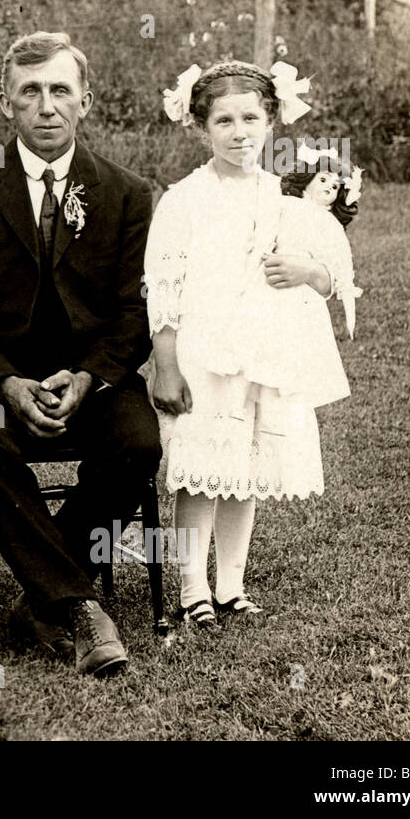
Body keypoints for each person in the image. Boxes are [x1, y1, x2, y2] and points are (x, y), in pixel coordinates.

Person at [0, 31, 160, 677]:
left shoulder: (129, 194)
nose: (47, 106)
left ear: (85, 101)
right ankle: (80, 606)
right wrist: (6, 383)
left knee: (137, 444)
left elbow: (136, 310)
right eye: (31, 92)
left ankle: (47, 598)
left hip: (94, 385)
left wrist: (89, 377)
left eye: (60, 90)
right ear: (6, 103)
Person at [147, 59, 337, 629]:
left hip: (263, 350)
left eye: (250, 118)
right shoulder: (184, 199)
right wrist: (167, 364)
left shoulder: (283, 196)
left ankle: (231, 583)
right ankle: (191, 587)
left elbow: (332, 277)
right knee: (201, 466)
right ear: (202, 127)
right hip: (204, 354)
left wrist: (304, 269)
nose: (239, 132)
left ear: (272, 121)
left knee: (246, 469)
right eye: (223, 121)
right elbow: (163, 287)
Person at [237, 145, 362, 405]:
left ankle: (286, 398)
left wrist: (350, 313)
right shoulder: (283, 204)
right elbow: (261, 230)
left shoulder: (328, 223)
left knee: (295, 349)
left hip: (302, 295)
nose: (329, 187)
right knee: (258, 340)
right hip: (268, 276)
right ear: (306, 179)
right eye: (323, 179)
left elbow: (340, 266)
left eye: (336, 187)